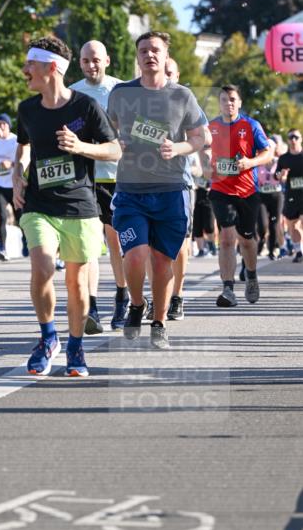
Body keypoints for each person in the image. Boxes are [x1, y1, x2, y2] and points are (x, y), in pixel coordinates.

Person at [13, 35, 121, 377]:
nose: (25, 70)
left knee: (76, 283)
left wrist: (81, 147)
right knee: (42, 266)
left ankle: (75, 346)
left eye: (31, 64)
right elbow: (23, 149)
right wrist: (18, 172)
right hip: (39, 203)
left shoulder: (85, 107)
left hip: (80, 205)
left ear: (52, 68)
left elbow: (115, 149)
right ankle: (48, 338)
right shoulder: (27, 109)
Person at [107, 31, 207, 349]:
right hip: (131, 190)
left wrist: (177, 148)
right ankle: (137, 304)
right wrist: (115, 141)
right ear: (137, 57)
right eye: (144, 51)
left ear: (166, 57)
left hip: (170, 190)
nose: (149, 55)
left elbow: (200, 137)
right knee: (135, 256)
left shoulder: (182, 96)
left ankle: (160, 322)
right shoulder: (122, 93)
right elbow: (108, 130)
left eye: (155, 51)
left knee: (163, 261)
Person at [69, 39, 129, 332]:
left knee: (115, 241)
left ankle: (122, 294)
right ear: (79, 63)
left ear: (107, 60)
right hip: (85, 178)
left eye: (96, 60)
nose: (91, 65)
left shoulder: (122, 90)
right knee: (89, 244)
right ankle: (91, 305)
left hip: (118, 176)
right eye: (85, 61)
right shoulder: (73, 93)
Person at [208, 84, 273, 308]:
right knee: (226, 239)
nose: (229, 103)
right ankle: (228, 288)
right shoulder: (212, 126)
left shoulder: (251, 125)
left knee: (246, 240)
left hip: (247, 191)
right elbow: (202, 149)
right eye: (225, 99)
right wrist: (206, 166)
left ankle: (252, 276)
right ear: (220, 103)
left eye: (233, 99)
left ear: (240, 102)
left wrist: (250, 162)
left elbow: (267, 153)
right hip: (220, 190)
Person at [0, 113, 19, 261]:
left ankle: (27, 243)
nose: (1, 126)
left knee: (20, 216)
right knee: (1, 216)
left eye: (4, 124)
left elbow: (25, 159)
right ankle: (2, 248)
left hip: (14, 185)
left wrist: (12, 164)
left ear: (9, 126)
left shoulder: (15, 140)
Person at [276, 128, 303, 263]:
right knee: (292, 226)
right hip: (291, 195)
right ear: (287, 140)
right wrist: (282, 176)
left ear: (301, 139)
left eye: (296, 137)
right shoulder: (283, 158)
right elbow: (277, 175)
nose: (293, 140)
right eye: (291, 137)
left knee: (300, 225)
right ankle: (298, 251)